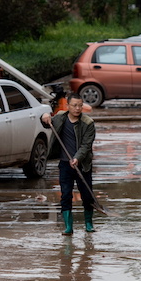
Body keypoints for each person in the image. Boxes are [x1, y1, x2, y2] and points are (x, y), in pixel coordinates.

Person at [41, 93, 96, 235]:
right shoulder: (60, 117)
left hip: (83, 165)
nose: (78, 108)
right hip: (65, 165)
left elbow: (86, 145)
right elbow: (46, 122)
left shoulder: (88, 123)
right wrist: (45, 115)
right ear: (68, 105)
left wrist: (77, 158)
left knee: (87, 195)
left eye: (80, 105)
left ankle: (88, 223)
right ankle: (68, 227)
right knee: (65, 195)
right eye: (74, 105)